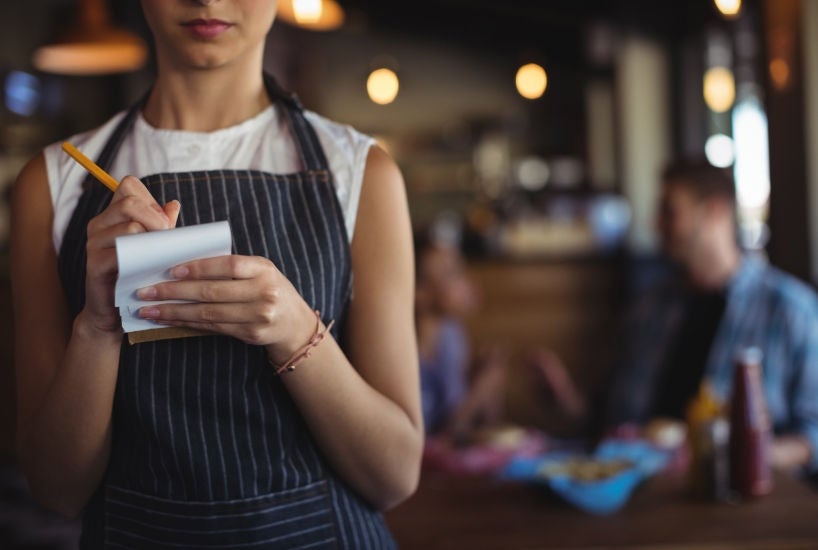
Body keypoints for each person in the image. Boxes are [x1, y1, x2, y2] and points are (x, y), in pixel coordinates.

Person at [11, 1, 422, 548]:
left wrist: (298, 331)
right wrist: (97, 326)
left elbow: (394, 475)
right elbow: (55, 488)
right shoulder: (52, 184)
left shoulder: (362, 173)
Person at [538, 159, 818, 474]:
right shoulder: (650, 309)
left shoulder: (791, 310)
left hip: (733, 499)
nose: (656, 225)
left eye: (669, 212)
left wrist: (754, 455)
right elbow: (609, 421)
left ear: (715, 210)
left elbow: (813, 435)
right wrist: (567, 402)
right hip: (634, 489)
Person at [414, 230, 507, 442]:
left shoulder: (451, 336)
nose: (468, 282)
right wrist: (479, 391)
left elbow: (475, 430)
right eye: (452, 273)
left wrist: (488, 385)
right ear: (418, 292)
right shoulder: (400, 351)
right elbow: (440, 439)